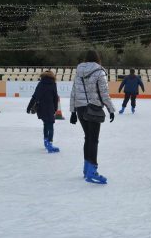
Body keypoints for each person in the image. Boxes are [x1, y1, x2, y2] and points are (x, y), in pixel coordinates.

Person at [70, 50, 116, 184]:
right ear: (97, 59)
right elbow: (104, 93)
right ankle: (92, 171)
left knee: (88, 138)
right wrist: (111, 109)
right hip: (93, 108)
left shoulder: (79, 71)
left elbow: (74, 91)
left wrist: (73, 111)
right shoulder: (99, 72)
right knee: (93, 139)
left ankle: (86, 169)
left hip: (80, 108)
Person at [26, 70, 59, 153]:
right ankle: (50, 144)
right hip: (50, 107)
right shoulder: (53, 84)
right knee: (50, 125)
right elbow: (55, 97)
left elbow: (35, 96)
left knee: (45, 124)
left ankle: (45, 141)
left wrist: (29, 107)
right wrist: (55, 108)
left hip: (41, 108)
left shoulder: (40, 84)